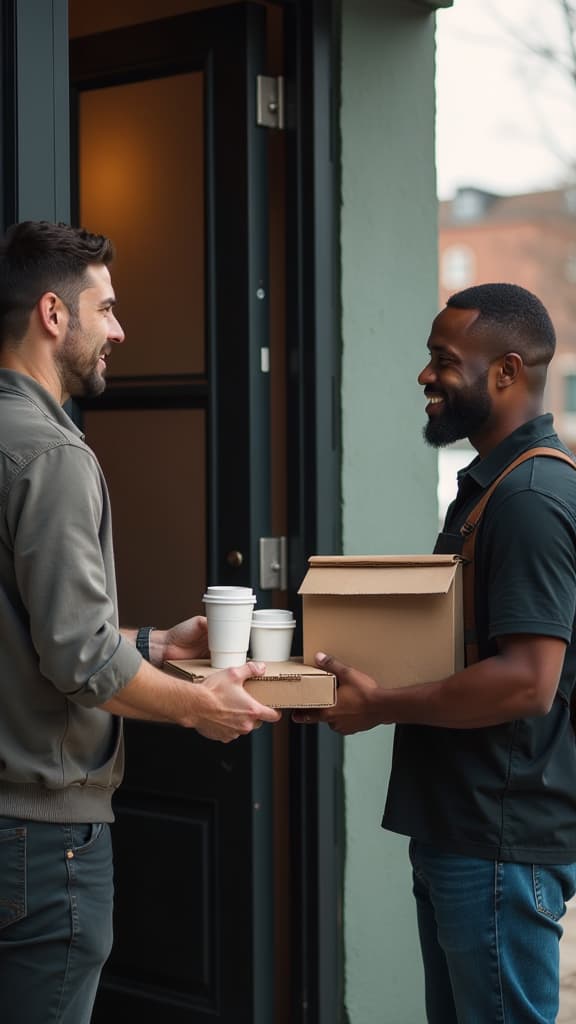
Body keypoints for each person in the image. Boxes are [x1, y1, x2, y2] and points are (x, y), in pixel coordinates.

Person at [0, 220, 281, 1024]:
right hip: (38, 843)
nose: (119, 330)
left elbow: (29, 635)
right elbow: (81, 661)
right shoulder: (50, 456)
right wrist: (204, 705)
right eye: (107, 308)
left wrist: (158, 644)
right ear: (54, 314)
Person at [294, 283, 576, 1023]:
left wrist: (378, 704)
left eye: (443, 361)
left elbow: (526, 684)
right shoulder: (491, 491)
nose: (426, 375)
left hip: (498, 844)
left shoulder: (530, 499)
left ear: (507, 372)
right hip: (466, 834)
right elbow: (467, 649)